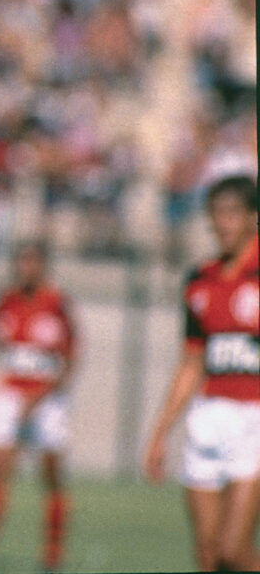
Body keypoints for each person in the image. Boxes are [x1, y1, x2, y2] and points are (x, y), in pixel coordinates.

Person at [144, 175, 259, 572]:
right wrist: (161, 434)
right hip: (209, 416)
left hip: (254, 420)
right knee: (208, 555)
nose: (223, 223)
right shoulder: (200, 280)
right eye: (216, 214)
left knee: (233, 550)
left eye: (232, 213)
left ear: (252, 217)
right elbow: (191, 363)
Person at [0, 243, 77, 572]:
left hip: (48, 399)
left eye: (33, 262)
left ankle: (53, 554)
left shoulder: (57, 304)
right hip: (10, 394)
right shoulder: (7, 298)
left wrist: (39, 397)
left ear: (43, 266)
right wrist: (0, 347)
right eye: (22, 262)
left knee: (51, 475)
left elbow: (70, 360)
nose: (26, 268)